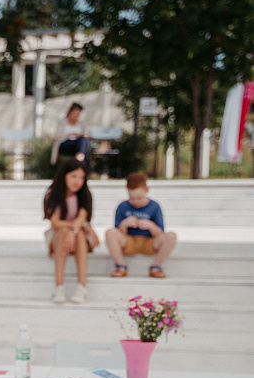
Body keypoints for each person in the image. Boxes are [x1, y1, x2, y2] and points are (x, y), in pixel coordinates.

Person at [105, 171, 177, 278]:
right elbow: (117, 233)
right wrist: (124, 225)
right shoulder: (122, 206)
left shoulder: (154, 206)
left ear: (146, 190)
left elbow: (160, 233)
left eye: (139, 198)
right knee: (110, 233)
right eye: (131, 198)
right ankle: (121, 266)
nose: (135, 201)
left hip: (149, 243)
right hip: (129, 242)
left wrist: (150, 226)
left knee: (171, 236)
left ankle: (156, 266)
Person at [43, 158, 94, 304]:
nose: (77, 181)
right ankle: (59, 287)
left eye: (81, 177)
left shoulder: (84, 194)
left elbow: (82, 217)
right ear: (64, 175)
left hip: (77, 236)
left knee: (77, 234)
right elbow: (55, 222)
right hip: (57, 235)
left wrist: (74, 230)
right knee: (65, 232)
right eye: (73, 176)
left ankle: (81, 287)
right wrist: (72, 228)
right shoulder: (52, 193)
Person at [51, 102, 90, 171]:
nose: (76, 116)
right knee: (83, 149)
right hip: (64, 143)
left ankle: (80, 157)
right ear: (71, 112)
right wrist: (72, 134)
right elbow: (57, 136)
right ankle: (85, 168)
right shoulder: (62, 122)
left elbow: (84, 133)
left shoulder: (80, 123)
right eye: (75, 113)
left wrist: (84, 135)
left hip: (76, 144)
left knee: (83, 140)